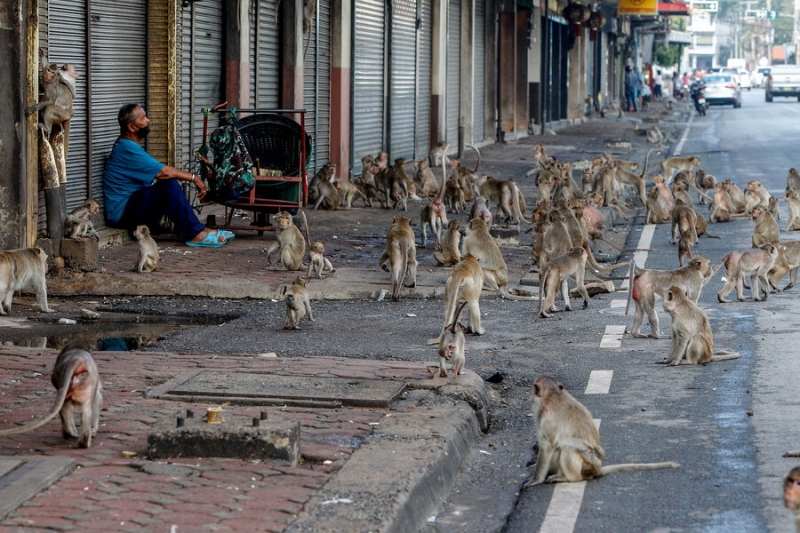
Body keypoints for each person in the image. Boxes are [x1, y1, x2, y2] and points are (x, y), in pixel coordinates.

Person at [104, 103, 233, 248]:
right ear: (132, 127)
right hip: (121, 214)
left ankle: (197, 229)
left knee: (167, 186)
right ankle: (195, 234)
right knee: (168, 185)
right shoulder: (126, 148)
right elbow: (163, 172)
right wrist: (194, 178)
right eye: (143, 118)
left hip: (131, 207)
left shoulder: (126, 144)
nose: (148, 121)